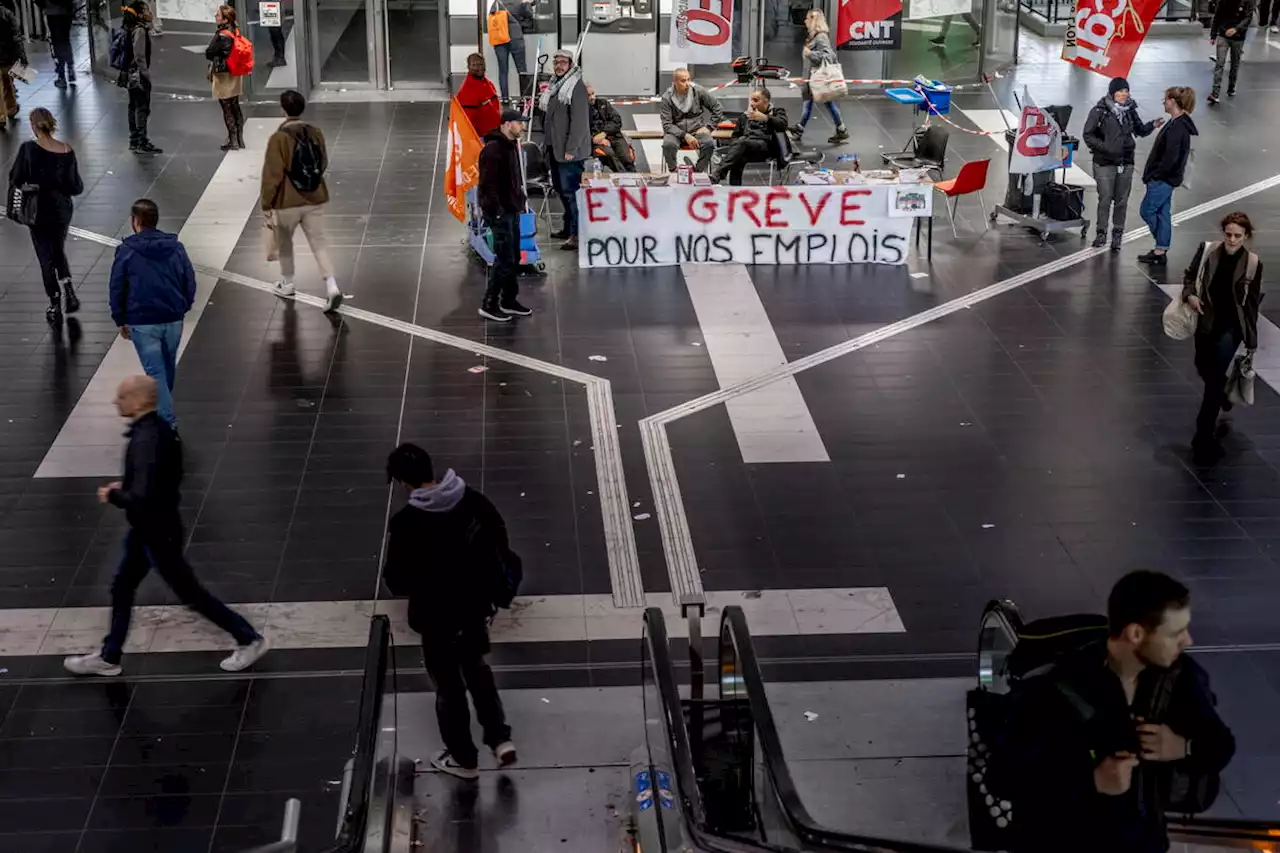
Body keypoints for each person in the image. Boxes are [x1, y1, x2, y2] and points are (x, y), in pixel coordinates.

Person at [1006, 570, 1235, 853]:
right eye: (1175, 633)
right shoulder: (1062, 688)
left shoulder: (1178, 678)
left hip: (1144, 842)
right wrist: (1092, 781)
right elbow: (1008, 777)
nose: (1187, 641)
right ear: (1135, 634)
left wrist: (1182, 747)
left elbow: (1221, 745)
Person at [63, 375, 270, 677]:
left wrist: (115, 494)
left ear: (138, 400)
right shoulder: (160, 430)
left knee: (189, 593)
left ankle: (248, 638)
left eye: (121, 396)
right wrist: (132, 485)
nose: (115, 402)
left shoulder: (146, 438)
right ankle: (109, 655)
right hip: (150, 528)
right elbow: (164, 479)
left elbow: (143, 497)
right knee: (122, 586)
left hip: (157, 532)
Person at [383, 443, 517, 780]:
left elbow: (397, 580)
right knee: (476, 669)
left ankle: (464, 759)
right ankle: (500, 739)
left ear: (402, 482)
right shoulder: (472, 500)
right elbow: (500, 540)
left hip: (436, 616)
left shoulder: (406, 523)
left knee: (449, 687)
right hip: (473, 607)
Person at [1181, 212, 1262, 463]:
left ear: (1246, 236)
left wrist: (1251, 338)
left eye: (1238, 236)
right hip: (1207, 322)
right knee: (1202, 366)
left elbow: (1252, 303)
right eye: (1228, 234)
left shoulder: (1252, 263)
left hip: (1232, 328)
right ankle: (1225, 396)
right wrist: (1190, 296)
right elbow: (1190, 276)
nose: (1232, 240)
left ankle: (1203, 435)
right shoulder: (1208, 251)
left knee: (1213, 381)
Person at [109, 199, 196, 429]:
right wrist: (183, 305)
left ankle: (168, 424)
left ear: (135, 221)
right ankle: (164, 412)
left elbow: (117, 286)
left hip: (143, 320)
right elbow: (189, 279)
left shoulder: (126, 251)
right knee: (166, 370)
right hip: (173, 317)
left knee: (156, 374)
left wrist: (120, 318)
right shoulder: (176, 247)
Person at [261, 89, 345, 313]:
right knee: (319, 243)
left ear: (283, 109)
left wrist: (266, 203)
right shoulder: (315, 132)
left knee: (286, 243)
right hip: (315, 197)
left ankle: (287, 283)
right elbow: (323, 161)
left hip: (287, 202)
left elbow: (272, 175)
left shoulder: (278, 138)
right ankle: (332, 286)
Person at [8, 108, 83, 325]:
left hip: (38, 211)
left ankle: (55, 302)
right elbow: (76, 187)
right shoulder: (67, 150)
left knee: (45, 257)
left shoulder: (28, 149)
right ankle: (69, 289)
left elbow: (16, 177)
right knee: (58, 248)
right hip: (62, 210)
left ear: (33, 125)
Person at [1082, 77, 1160, 252]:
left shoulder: (1130, 111)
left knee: (1122, 200)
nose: (1124, 94)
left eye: (1126, 91)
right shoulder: (1099, 111)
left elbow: (1139, 130)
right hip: (1104, 163)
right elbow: (1088, 134)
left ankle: (1118, 233)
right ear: (1112, 93)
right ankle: (1101, 232)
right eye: (1120, 91)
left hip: (1126, 161)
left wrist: (1152, 125)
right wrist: (1105, 147)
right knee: (1105, 198)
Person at [477, 108, 531, 323]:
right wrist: (497, 212)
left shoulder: (510, 146)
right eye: (520, 123)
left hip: (512, 209)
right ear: (508, 124)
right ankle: (489, 304)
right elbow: (487, 185)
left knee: (514, 257)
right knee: (504, 259)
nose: (523, 127)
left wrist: (520, 200)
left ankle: (509, 299)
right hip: (500, 213)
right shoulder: (492, 150)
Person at [1139, 87, 1197, 266]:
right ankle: (1160, 248)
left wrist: (1155, 175)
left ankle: (1161, 246)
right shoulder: (1180, 124)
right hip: (1169, 179)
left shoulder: (1176, 127)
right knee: (1163, 212)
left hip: (1162, 179)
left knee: (1147, 210)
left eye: (1165, 99)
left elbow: (1169, 156)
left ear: (1173, 101)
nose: (1163, 102)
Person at [541, 48, 589, 251]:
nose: (559, 66)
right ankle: (568, 227)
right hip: (555, 147)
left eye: (563, 62)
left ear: (571, 64)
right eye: (556, 62)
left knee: (571, 193)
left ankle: (577, 235)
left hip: (570, 151)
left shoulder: (576, 86)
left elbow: (579, 122)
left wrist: (571, 148)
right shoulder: (555, 84)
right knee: (561, 190)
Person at [792, 9, 848, 144]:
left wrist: (810, 54)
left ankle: (800, 130)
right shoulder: (813, 36)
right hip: (812, 78)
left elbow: (829, 56)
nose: (805, 21)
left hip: (817, 78)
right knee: (824, 103)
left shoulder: (821, 37)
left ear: (813, 20)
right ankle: (841, 129)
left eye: (807, 18)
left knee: (811, 104)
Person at [712, 87, 788, 186]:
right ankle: (734, 190)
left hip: (766, 148)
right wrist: (735, 146)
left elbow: (783, 124)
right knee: (738, 157)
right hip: (748, 147)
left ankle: (718, 174)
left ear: (766, 102)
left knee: (742, 143)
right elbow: (735, 135)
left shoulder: (777, 112)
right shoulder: (745, 116)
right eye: (751, 100)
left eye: (756, 100)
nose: (752, 103)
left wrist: (765, 118)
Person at [659, 67, 723, 173]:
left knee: (709, 144)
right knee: (668, 145)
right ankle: (674, 171)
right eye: (683, 81)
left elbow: (718, 108)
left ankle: (697, 171)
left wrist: (709, 127)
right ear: (675, 82)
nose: (687, 83)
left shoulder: (698, 91)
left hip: (697, 130)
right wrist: (685, 135)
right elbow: (667, 125)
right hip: (676, 132)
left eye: (689, 79)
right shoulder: (667, 98)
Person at [121, 0, 162, 155]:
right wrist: (146, 75)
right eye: (146, 10)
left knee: (133, 106)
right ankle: (141, 141)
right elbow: (139, 56)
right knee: (142, 107)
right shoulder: (140, 31)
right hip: (138, 75)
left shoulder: (129, 28)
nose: (149, 13)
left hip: (131, 74)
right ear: (139, 14)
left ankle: (134, 140)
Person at [206, 4, 245, 151]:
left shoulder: (222, 35)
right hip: (235, 72)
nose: (216, 17)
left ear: (225, 19)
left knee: (226, 107)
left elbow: (209, 52)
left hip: (223, 74)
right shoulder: (235, 30)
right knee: (235, 104)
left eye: (218, 15)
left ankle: (233, 140)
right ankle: (240, 139)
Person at [1206, 0, 1255, 104]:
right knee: (1220, 63)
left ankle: (1231, 88)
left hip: (1239, 36)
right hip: (1223, 34)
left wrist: (1236, 29)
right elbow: (1218, 15)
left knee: (1235, 64)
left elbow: (1248, 17)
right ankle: (1215, 93)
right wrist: (1213, 35)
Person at [489, 0, 534, 103]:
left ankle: (505, 98)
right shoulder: (520, 2)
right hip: (516, 38)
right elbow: (530, 15)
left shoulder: (497, 3)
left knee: (503, 71)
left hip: (500, 39)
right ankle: (524, 99)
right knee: (522, 70)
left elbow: (492, 17)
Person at [587, 83, 635, 172]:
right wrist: (594, 139)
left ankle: (635, 178)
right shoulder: (580, 110)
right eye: (588, 95)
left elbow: (617, 121)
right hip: (595, 141)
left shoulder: (603, 103)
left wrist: (604, 133)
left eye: (593, 94)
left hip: (613, 136)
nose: (592, 97)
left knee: (626, 157)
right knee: (610, 155)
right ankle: (623, 177)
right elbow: (581, 131)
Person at [458, 52, 502, 139]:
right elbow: (468, 119)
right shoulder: (467, 90)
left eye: (481, 64)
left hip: (494, 132)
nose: (479, 67)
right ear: (468, 67)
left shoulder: (488, 83)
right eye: (475, 65)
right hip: (481, 137)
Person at [35, 0, 76, 88]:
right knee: (65, 41)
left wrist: (42, 5)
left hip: (52, 12)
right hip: (65, 11)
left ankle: (61, 76)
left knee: (57, 43)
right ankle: (70, 68)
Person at [0, 0, 25, 129]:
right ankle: (11, 108)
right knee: (8, 83)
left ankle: (1, 116)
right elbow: (16, 36)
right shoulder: (8, 13)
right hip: (7, 56)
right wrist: (23, 56)